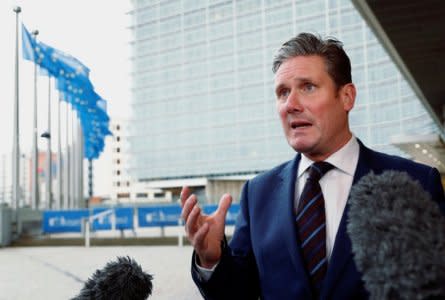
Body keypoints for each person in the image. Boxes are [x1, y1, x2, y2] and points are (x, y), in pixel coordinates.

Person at [180, 32, 445, 299]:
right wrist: (212, 260)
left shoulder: (418, 183)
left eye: (307, 87)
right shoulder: (257, 193)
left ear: (347, 97)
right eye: (282, 92)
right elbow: (238, 293)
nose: (291, 105)